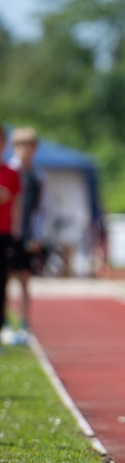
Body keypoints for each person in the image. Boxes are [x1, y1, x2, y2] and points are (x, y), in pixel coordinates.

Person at [6, 127, 46, 344]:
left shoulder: (38, 175)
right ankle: (4, 323)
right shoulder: (8, 170)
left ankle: (23, 324)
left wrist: (37, 235)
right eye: (19, 145)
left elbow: (42, 208)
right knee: (4, 279)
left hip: (27, 234)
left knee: (24, 279)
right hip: (7, 232)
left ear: (35, 148)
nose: (23, 150)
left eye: (28, 145)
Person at [0, 124, 22, 347]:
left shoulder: (11, 173)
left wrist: (16, 232)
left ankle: (2, 326)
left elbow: (16, 203)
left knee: (3, 282)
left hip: (5, 233)